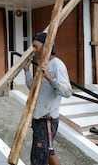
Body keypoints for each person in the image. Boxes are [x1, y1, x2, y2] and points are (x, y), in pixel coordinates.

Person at [23, 32, 72, 165]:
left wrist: (50, 78)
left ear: (46, 47)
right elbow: (34, 89)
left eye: (35, 46)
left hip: (47, 121)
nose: (33, 50)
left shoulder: (57, 65)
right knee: (48, 153)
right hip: (38, 120)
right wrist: (27, 71)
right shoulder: (42, 64)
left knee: (39, 158)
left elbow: (67, 92)